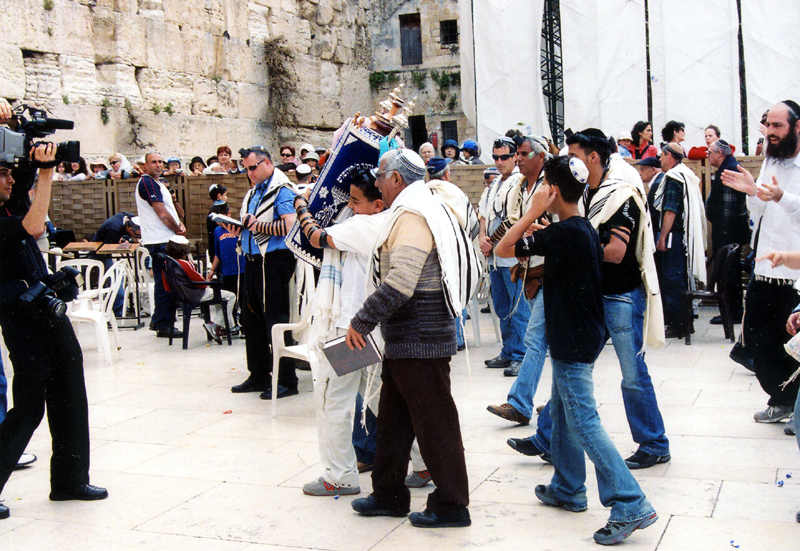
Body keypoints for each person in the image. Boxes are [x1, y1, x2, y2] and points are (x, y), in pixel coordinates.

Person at [495, 155, 657, 545]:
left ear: (552, 190)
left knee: (584, 422)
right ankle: (568, 487)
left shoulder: (562, 233)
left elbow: (503, 248)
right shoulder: (580, 228)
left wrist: (531, 212)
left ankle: (631, 502)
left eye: (543, 186)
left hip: (571, 340)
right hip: (581, 335)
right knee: (565, 414)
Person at [510, 129, 671, 471]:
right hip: (592, 295)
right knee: (570, 372)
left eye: (574, 155)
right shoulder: (584, 194)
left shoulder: (621, 194)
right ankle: (547, 438)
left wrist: (568, 244)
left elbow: (615, 251)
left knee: (631, 374)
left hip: (620, 296)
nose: (570, 161)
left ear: (593, 157)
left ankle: (654, 443)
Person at [348, 148, 475, 529]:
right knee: (393, 421)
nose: (377, 184)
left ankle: (452, 504)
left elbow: (401, 282)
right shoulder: (420, 206)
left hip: (420, 336)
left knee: (435, 423)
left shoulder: (413, 215)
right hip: (409, 337)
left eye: (380, 176)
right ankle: (388, 494)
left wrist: (362, 320)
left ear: (396, 179)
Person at [0, 136, 108, 521]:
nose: (10, 181)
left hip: (47, 309)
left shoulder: (8, 201)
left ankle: (69, 480)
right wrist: (47, 172)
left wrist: (33, 156)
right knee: (28, 407)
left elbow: (24, 182)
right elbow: (32, 226)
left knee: (70, 395)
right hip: (21, 318)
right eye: (2, 174)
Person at [293, 169, 385, 497]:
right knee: (383, 401)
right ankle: (422, 462)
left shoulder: (364, 225)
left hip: (351, 330)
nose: (350, 206)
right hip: (375, 329)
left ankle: (340, 475)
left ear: (377, 203)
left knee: (333, 400)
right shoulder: (386, 220)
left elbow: (315, 236)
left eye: (356, 201)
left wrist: (301, 206)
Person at [721, 100, 800, 424]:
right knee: (757, 341)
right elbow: (760, 211)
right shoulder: (771, 160)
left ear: (797, 127)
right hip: (766, 268)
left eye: (777, 126)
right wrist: (753, 192)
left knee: (793, 343)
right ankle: (782, 400)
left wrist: (781, 197)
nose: (770, 132)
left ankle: (796, 410)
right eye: (768, 125)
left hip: (795, 274)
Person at [486, 134, 551, 426]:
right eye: (517, 154)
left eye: (524, 153)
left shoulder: (551, 185)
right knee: (541, 341)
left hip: (552, 272)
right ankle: (547, 403)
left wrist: (540, 234)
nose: (518, 159)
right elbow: (512, 220)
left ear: (541, 156)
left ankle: (522, 403)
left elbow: (562, 224)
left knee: (536, 339)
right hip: (531, 269)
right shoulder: (519, 188)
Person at [225, 145, 298, 399]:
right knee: (251, 320)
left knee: (276, 320)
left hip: (274, 261)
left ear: (267, 163)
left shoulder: (282, 190)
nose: (250, 173)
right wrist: (240, 229)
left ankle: (287, 379)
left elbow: (290, 226)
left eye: (253, 167)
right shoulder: (255, 191)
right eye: (246, 169)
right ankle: (258, 374)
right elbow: (252, 225)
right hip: (254, 261)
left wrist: (257, 226)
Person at [480, 136, 529, 373]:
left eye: (504, 157)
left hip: (512, 256)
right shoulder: (494, 184)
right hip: (495, 259)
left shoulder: (520, 182)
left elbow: (513, 219)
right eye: (496, 157)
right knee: (502, 307)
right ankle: (508, 351)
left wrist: (491, 241)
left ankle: (521, 355)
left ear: (514, 157)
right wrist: (483, 237)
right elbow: (483, 214)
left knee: (518, 308)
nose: (499, 162)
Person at [654, 142, 707, 338]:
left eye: (662, 156)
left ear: (670, 156)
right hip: (684, 237)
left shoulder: (673, 178)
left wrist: (662, 237)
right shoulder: (686, 175)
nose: (660, 160)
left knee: (672, 279)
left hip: (674, 237)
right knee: (680, 278)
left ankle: (678, 325)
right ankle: (686, 322)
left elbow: (670, 210)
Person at [135, 152, 186, 338]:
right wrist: (178, 230)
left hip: (162, 239)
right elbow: (162, 213)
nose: (158, 165)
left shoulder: (156, 183)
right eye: (153, 162)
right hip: (160, 241)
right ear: (145, 166)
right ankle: (164, 325)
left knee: (164, 282)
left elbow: (169, 211)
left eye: (160, 162)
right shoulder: (147, 182)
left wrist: (179, 224)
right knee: (166, 284)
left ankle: (158, 320)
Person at [706, 139, 750, 321]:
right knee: (729, 271)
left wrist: (724, 231)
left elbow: (728, 206)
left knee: (729, 272)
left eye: (709, 152)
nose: (707, 155)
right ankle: (732, 311)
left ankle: (733, 313)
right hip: (729, 231)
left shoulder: (728, 171)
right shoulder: (728, 167)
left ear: (719, 153)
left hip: (727, 232)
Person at [163, 235, 235, 343]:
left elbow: (167, 287)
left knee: (220, 297)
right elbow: (202, 284)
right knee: (230, 296)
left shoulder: (166, 264)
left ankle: (229, 327)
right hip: (196, 295)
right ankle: (214, 325)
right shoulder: (185, 264)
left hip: (180, 297)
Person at [207, 202, 243, 333]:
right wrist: (212, 270)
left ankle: (245, 326)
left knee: (243, 298)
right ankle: (231, 326)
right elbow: (217, 252)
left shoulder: (238, 228)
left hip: (242, 269)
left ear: (228, 214)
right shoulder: (217, 231)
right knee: (230, 299)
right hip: (227, 270)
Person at [206, 183, 228, 261]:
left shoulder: (212, 210)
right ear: (219, 196)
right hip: (219, 246)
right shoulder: (221, 209)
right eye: (225, 195)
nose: (227, 197)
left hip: (214, 246)